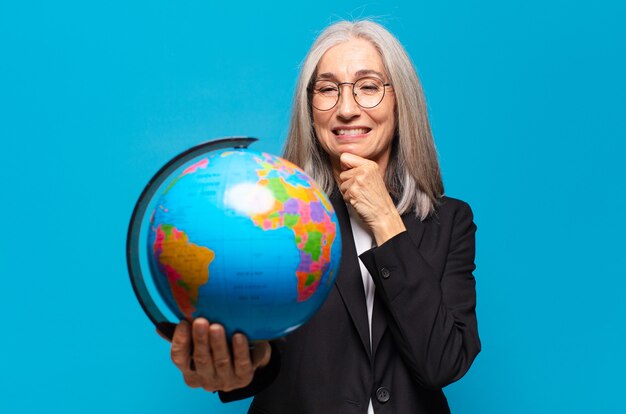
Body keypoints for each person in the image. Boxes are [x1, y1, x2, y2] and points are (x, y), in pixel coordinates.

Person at [163, 19, 481, 413]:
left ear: (401, 102)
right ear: (310, 108)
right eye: (328, 89)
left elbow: (442, 363)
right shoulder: (278, 217)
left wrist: (384, 218)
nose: (346, 109)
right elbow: (264, 353)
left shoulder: (450, 222)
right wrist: (237, 365)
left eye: (368, 87)